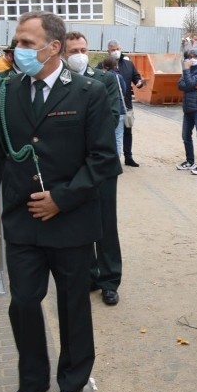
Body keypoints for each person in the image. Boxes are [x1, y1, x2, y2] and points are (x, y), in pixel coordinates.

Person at [0, 11, 120, 392]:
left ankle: (71, 383)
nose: (16, 50)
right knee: (22, 302)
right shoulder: (7, 90)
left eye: (25, 43)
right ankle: (32, 382)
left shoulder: (88, 92)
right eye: (16, 42)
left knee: (73, 304)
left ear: (53, 48)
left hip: (70, 221)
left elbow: (104, 160)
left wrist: (62, 198)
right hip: (22, 220)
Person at [64, 32, 124, 306]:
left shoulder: (106, 80)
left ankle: (109, 280)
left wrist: (73, 131)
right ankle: (88, 275)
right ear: (63, 53)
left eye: (83, 49)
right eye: (74, 49)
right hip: (73, 166)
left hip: (101, 164)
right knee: (80, 223)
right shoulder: (60, 83)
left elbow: (111, 118)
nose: (79, 54)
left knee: (106, 223)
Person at [96, 39, 144, 167]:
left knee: (127, 131)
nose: (116, 51)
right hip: (107, 106)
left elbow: (136, 77)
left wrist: (139, 82)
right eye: (113, 50)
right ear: (108, 51)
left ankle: (128, 157)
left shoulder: (128, 64)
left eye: (118, 49)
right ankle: (109, 158)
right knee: (110, 132)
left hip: (126, 104)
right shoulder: (102, 65)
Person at [176, 48, 197, 175]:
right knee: (186, 135)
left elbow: (188, 82)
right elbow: (180, 85)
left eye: (194, 56)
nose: (192, 58)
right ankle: (190, 161)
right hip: (188, 107)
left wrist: (187, 74)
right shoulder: (189, 71)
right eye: (189, 56)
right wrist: (193, 85)